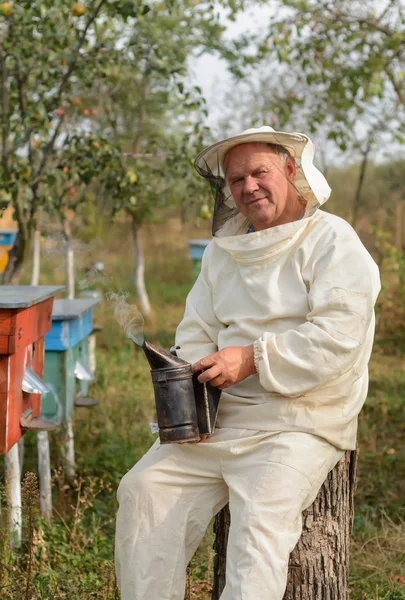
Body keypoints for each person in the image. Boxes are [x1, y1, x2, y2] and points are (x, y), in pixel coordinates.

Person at [115, 126, 381, 600]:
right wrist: (191, 396)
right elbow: (197, 327)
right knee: (144, 491)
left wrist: (253, 359)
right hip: (221, 420)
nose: (248, 187)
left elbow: (339, 336)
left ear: (290, 170)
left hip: (300, 421)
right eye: (236, 180)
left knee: (257, 529)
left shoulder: (332, 241)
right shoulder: (223, 252)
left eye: (260, 172)